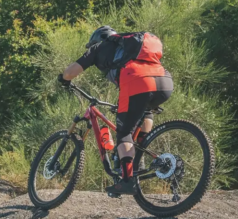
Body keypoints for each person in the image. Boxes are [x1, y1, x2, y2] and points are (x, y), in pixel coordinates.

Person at [58, 26, 173, 195]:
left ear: (98, 40)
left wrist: (63, 79)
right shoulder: (131, 49)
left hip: (137, 80)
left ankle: (127, 181)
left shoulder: (100, 47)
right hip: (164, 81)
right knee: (143, 113)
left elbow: (70, 72)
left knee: (124, 133)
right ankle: (138, 158)